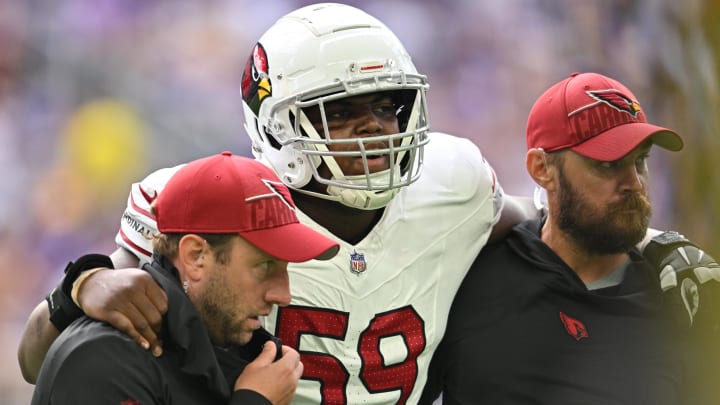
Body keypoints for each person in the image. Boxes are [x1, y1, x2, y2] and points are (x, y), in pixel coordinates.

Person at [17, 4, 717, 404]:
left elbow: (545, 225)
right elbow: (39, 360)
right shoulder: (204, 206)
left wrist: (651, 241)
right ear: (279, 123)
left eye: (389, 106)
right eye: (344, 111)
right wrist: (85, 283)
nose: (377, 128)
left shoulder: (453, 181)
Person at [419, 72, 720, 405]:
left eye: (641, 160)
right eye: (607, 164)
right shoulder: (470, 280)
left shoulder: (682, 301)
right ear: (542, 169)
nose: (633, 182)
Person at [31, 151, 340, 404]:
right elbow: (29, 359)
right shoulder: (104, 359)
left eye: (284, 267)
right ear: (195, 256)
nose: (283, 295)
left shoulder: (241, 352)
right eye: (264, 265)